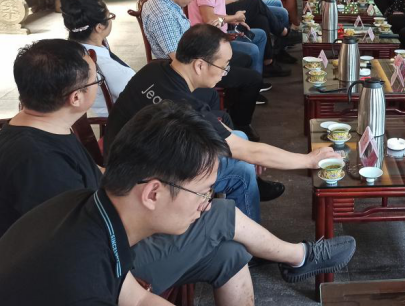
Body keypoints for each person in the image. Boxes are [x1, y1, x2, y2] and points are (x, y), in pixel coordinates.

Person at [0, 40, 356, 306]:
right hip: (99, 270)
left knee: (230, 253)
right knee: (220, 215)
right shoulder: (35, 163)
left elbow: (94, 179)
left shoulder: (48, 129)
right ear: (76, 98)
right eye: (94, 82)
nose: (98, 87)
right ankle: (298, 257)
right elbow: (69, 252)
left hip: (106, 233)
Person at [106, 24, 338, 222]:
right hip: (139, 181)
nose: (225, 72)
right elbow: (246, 151)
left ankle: (250, 198)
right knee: (241, 170)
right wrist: (308, 160)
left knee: (240, 138)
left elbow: (232, 139)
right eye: (223, 65)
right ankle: (249, 248)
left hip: (125, 154)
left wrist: (243, 148)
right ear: (199, 65)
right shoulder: (183, 107)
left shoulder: (154, 69)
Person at [141, 0, 263, 140]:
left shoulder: (165, 1)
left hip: (196, 55)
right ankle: (240, 124)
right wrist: (211, 61)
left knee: (245, 59)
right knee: (253, 79)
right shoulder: (163, 15)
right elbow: (179, 60)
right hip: (189, 71)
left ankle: (233, 109)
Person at [61, 0, 132, 117]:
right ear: (99, 27)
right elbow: (140, 94)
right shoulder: (106, 66)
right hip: (127, 119)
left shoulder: (72, 51)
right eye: (109, 16)